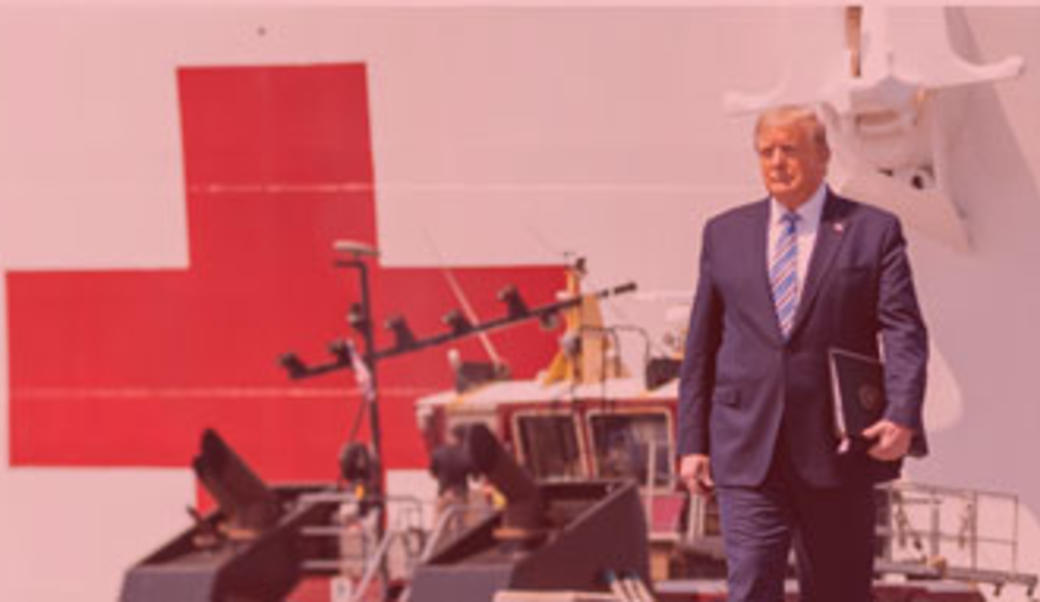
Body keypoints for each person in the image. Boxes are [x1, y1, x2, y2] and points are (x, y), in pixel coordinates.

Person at [677, 105, 928, 602]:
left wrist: (902, 415)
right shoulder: (723, 234)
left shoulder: (872, 231)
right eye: (766, 151)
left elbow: (903, 332)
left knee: (839, 593)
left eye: (789, 149)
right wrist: (691, 441)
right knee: (749, 587)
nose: (776, 162)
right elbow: (701, 346)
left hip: (836, 454)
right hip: (747, 452)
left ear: (824, 156)